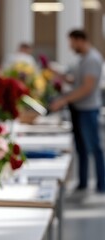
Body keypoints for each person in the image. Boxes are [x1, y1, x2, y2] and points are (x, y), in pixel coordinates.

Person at [49, 29, 105, 192]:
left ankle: (101, 183)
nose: (70, 46)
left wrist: (64, 100)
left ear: (80, 40)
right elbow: (78, 82)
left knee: (94, 146)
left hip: (88, 109)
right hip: (79, 108)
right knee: (81, 147)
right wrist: (60, 75)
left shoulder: (92, 59)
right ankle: (83, 182)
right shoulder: (83, 59)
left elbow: (87, 87)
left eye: (71, 42)